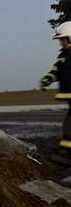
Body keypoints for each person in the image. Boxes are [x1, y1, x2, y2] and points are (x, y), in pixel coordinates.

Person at [41, 21, 71, 151]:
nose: (60, 43)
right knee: (68, 124)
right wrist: (47, 80)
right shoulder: (63, 57)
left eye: (62, 39)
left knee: (69, 124)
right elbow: (56, 71)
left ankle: (66, 152)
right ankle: (66, 151)